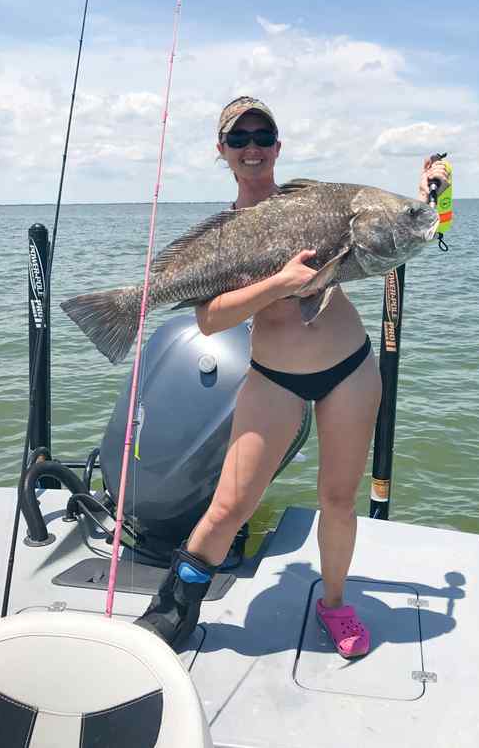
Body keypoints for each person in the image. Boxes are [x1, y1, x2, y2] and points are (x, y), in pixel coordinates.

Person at [136, 96, 450, 657]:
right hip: (273, 377)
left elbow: (425, 228)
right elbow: (210, 320)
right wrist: (280, 284)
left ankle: (334, 604)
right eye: (239, 140)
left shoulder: (320, 205)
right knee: (230, 506)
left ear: (278, 146)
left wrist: (431, 194)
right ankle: (170, 612)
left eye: (263, 137)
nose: (252, 148)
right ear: (223, 152)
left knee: (338, 500)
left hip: (350, 370)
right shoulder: (226, 232)